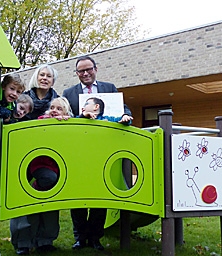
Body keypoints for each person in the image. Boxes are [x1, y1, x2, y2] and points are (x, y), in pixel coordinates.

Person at [62, 55, 133, 251]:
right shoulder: (69, 93)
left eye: (88, 69)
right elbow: (64, 117)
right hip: (78, 151)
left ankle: (95, 238)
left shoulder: (109, 88)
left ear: (96, 69)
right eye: (81, 71)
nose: (85, 73)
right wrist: (79, 117)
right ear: (76, 73)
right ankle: (79, 237)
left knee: (100, 195)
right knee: (77, 195)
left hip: (104, 150)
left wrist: (127, 115)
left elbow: (122, 109)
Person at [11, 96, 72, 255]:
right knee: (28, 199)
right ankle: (23, 242)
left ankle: (45, 241)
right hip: (38, 166)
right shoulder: (41, 121)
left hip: (58, 169)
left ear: (66, 113)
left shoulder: (69, 127)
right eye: (52, 107)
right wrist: (49, 120)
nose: (54, 111)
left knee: (50, 202)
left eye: (59, 109)